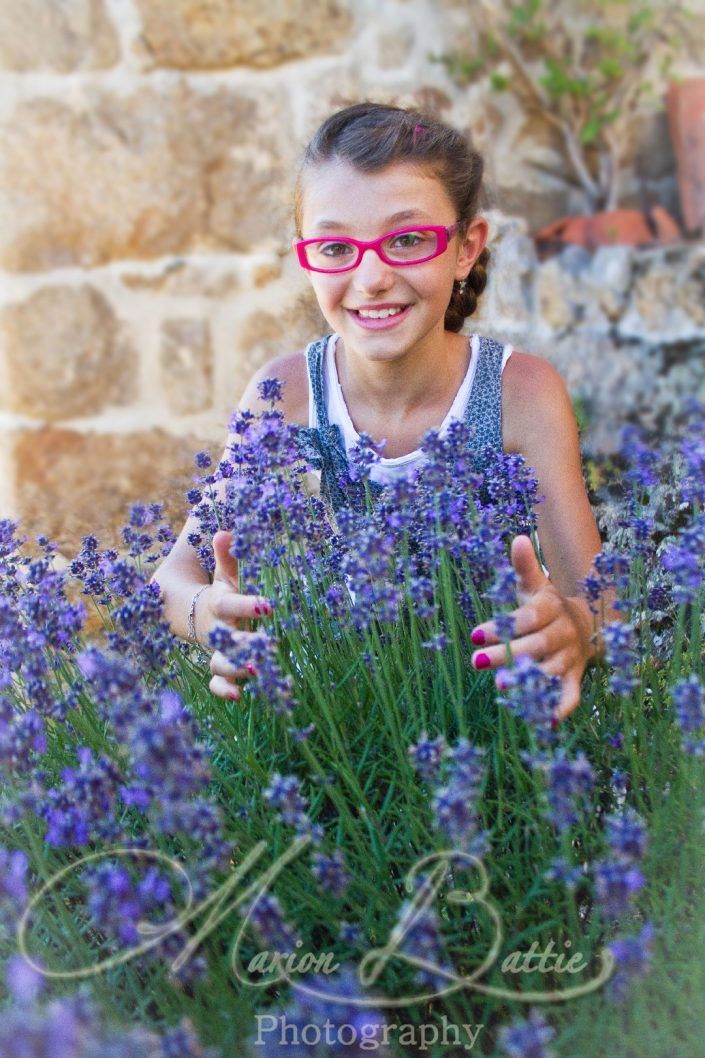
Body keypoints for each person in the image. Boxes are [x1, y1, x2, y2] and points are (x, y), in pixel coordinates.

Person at [151, 101, 616, 722]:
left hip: (493, 722)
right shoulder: (285, 394)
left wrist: (572, 628)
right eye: (337, 246)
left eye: (406, 239)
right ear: (306, 257)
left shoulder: (519, 392)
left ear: (464, 249)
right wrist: (205, 612)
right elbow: (173, 575)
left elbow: (601, 600)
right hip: (336, 727)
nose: (371, 277)